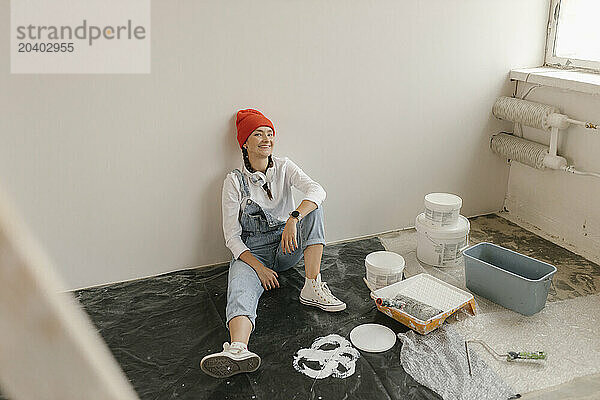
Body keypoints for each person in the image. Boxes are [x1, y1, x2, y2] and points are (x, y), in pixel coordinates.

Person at [200, 109, 346, 378]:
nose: (266, 138)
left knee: (314, 209)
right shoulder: (233, 182)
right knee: (240, 292)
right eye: (258, 134)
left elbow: (317, 190)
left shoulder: (284, 166)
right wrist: (259, 269)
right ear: (244, 142)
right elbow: (232, 237)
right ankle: (237, 349)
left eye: (269, 133)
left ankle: (312, 286)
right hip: (251, 253)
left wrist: (293, 218)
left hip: (285, 245)